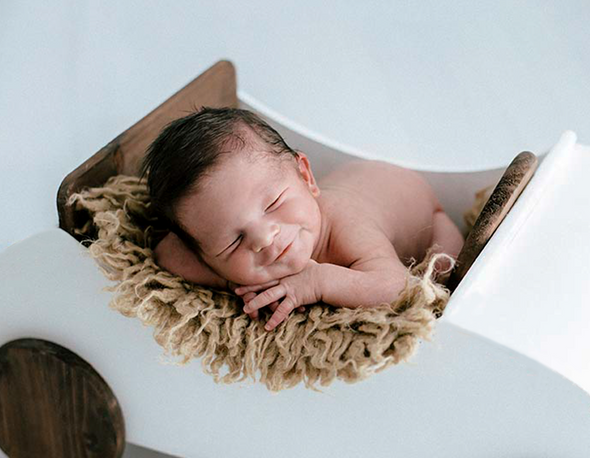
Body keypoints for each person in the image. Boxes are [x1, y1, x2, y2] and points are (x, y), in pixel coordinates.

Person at [142, 107, 465, 331]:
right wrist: (233, 281)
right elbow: (168, 253)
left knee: (444, 274)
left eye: (274, 203)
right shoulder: (216, 245)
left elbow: (397, 288)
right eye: (233, 241)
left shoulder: (345, 225)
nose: (264, 238)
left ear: (306, 177)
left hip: (425, 213)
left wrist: (318, 282)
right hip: (357, 179)